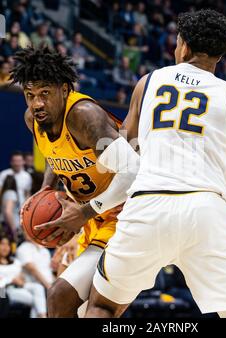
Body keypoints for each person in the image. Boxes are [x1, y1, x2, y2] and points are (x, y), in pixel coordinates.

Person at [42, 10, 226, 318]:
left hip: (148, 204)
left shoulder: (148, 83)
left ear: (183, 46)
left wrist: (86, 204)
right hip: (208, 210)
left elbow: (123, 154)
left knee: (102, 306)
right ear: (221, 54)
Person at [11, 45, 139, 317]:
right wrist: (47, 188)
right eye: (30, 95)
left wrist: (83, 212)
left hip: (128, 215)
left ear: (65, 90)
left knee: (60, 296)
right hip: (95, 217)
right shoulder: (33, 119)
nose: (37, 104)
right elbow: (52, 154)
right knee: (82, 312)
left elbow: (133, 173)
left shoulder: (84, 115)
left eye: (45, 93)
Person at [0, 234, 47, 318]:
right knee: (36, 301)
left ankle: (42, 316)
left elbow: (22, 276)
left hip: (20, 287)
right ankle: (43, 316)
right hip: (5, 291)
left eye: (8, 244)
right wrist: (11, 280)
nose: (5, 247)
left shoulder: (15, 261)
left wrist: (21, 279)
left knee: (38, 287)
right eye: (2, 244)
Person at [0, 175, 20, 242]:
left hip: (4, 225)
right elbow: (8, 212)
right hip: (11, 227)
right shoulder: (11, 193)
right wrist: (13, 230)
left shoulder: (4, 194)